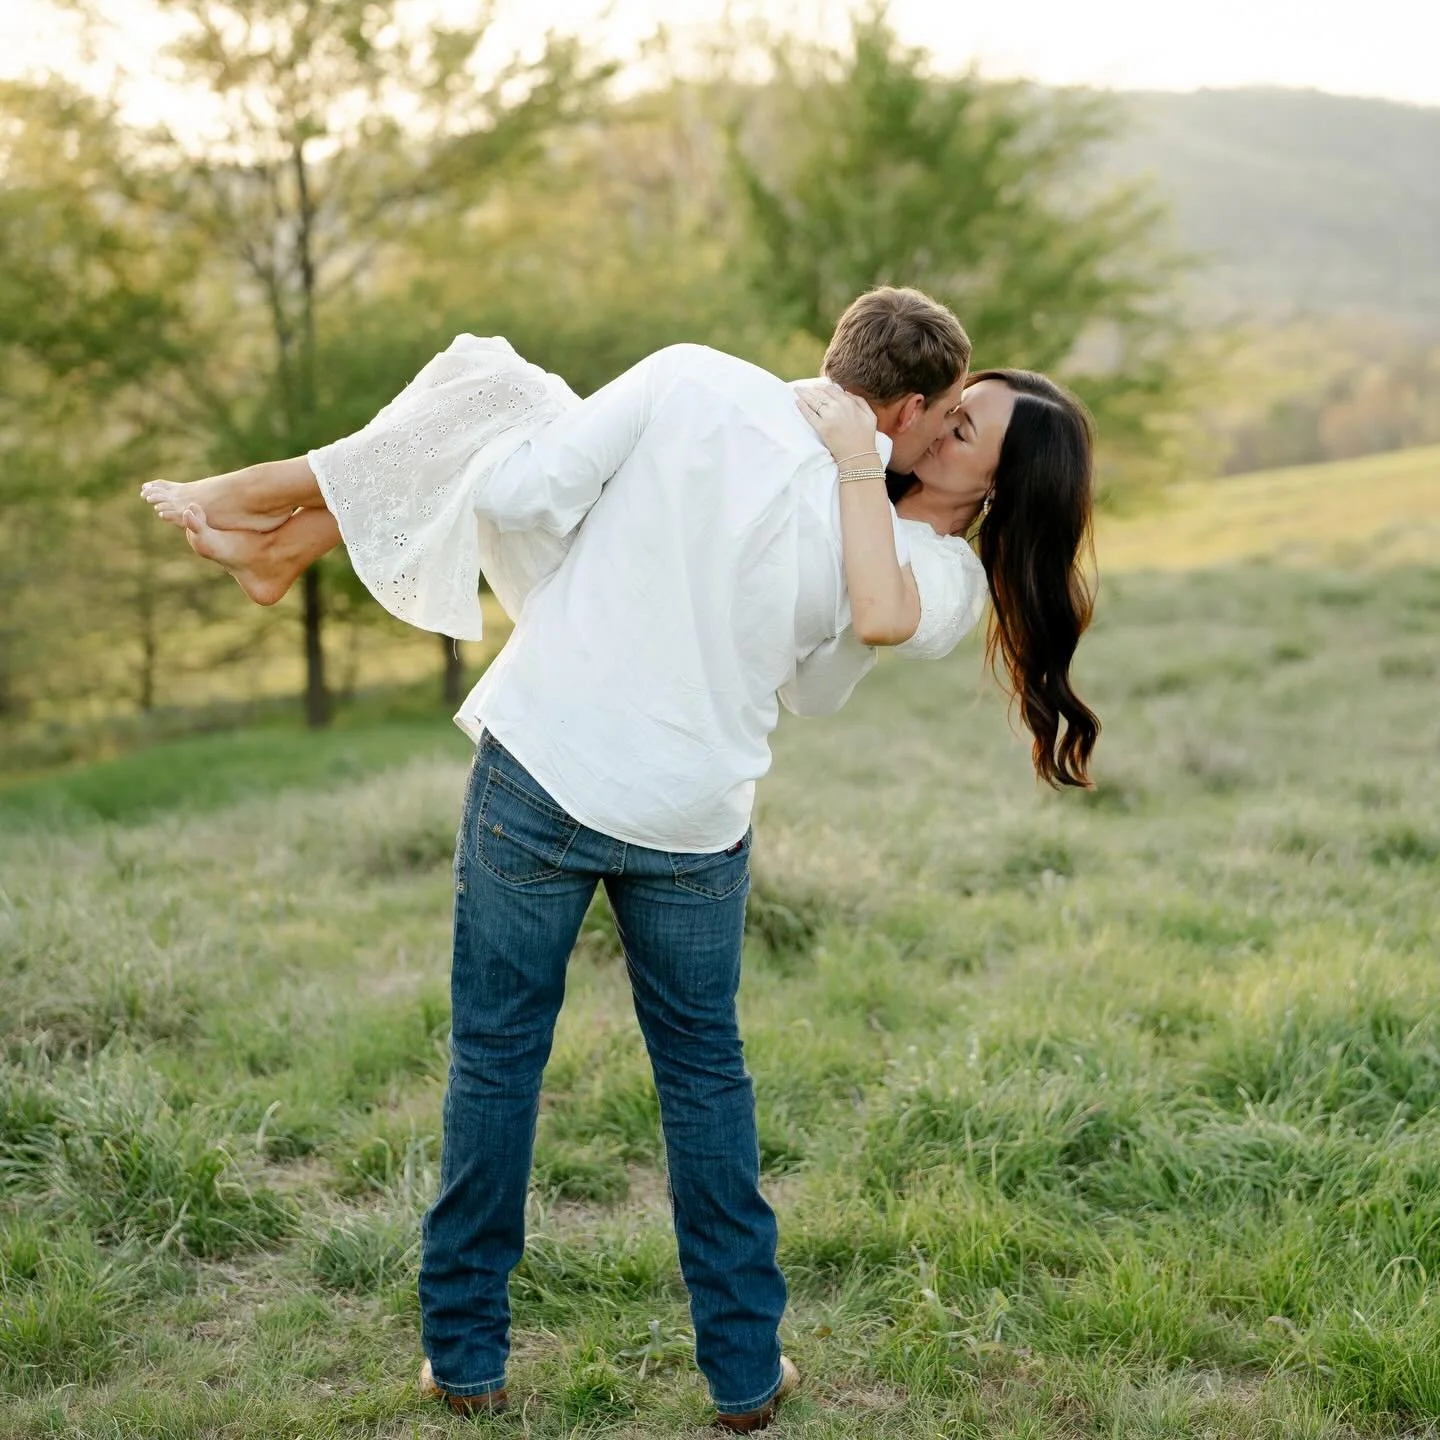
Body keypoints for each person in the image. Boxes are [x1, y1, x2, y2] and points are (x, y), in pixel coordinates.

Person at [141, 288, 1099, 1430]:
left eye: (961, 433)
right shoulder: (894, 542)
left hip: (551, 765)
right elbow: (815, 682)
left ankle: (476, 1358)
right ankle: (729, 1373)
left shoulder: (893, 542)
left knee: (505, 1060)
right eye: (945, 413)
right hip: (689, 812)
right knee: (695, 1078)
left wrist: (752, 493)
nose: (934, 435)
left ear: (994, 486)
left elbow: (520, 493)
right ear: (903, 400)